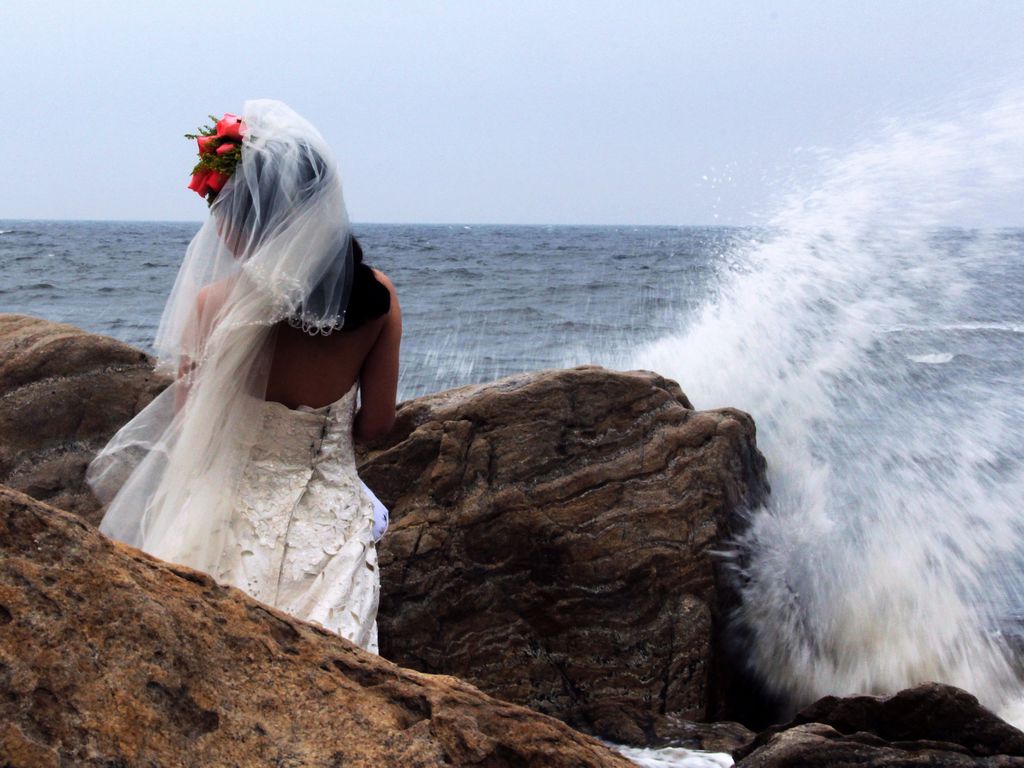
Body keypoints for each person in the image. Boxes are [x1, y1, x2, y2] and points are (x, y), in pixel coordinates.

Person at [87, 100, 400, 652]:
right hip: (327, 517)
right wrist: (323, 444)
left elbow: (192, 429)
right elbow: (377, 424)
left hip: (225, 513)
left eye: (228, 209)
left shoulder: (213, 306)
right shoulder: (378, 298)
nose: (222, 225)